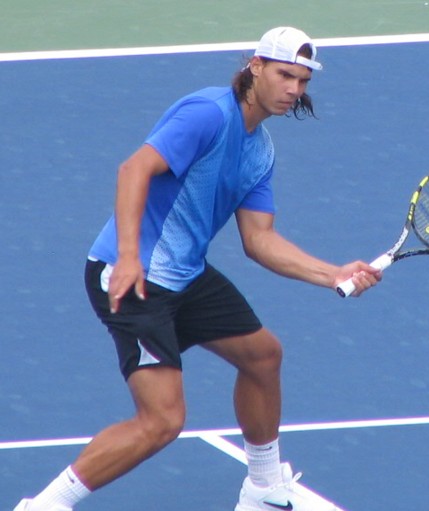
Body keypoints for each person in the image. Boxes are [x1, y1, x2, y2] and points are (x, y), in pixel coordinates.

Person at [14, 26, 381, 511]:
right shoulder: (208, 113)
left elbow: (260, 240)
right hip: (132, 275)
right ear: (255, 67)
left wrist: (331, 272)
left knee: (263, 356)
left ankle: (265, 488)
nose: (295, 89)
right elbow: (133, 170)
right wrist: (128, 256)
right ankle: (44, 506)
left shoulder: (261, 150)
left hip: (185, 275)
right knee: (161, 421)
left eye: (304, 81)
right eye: (285, 75)